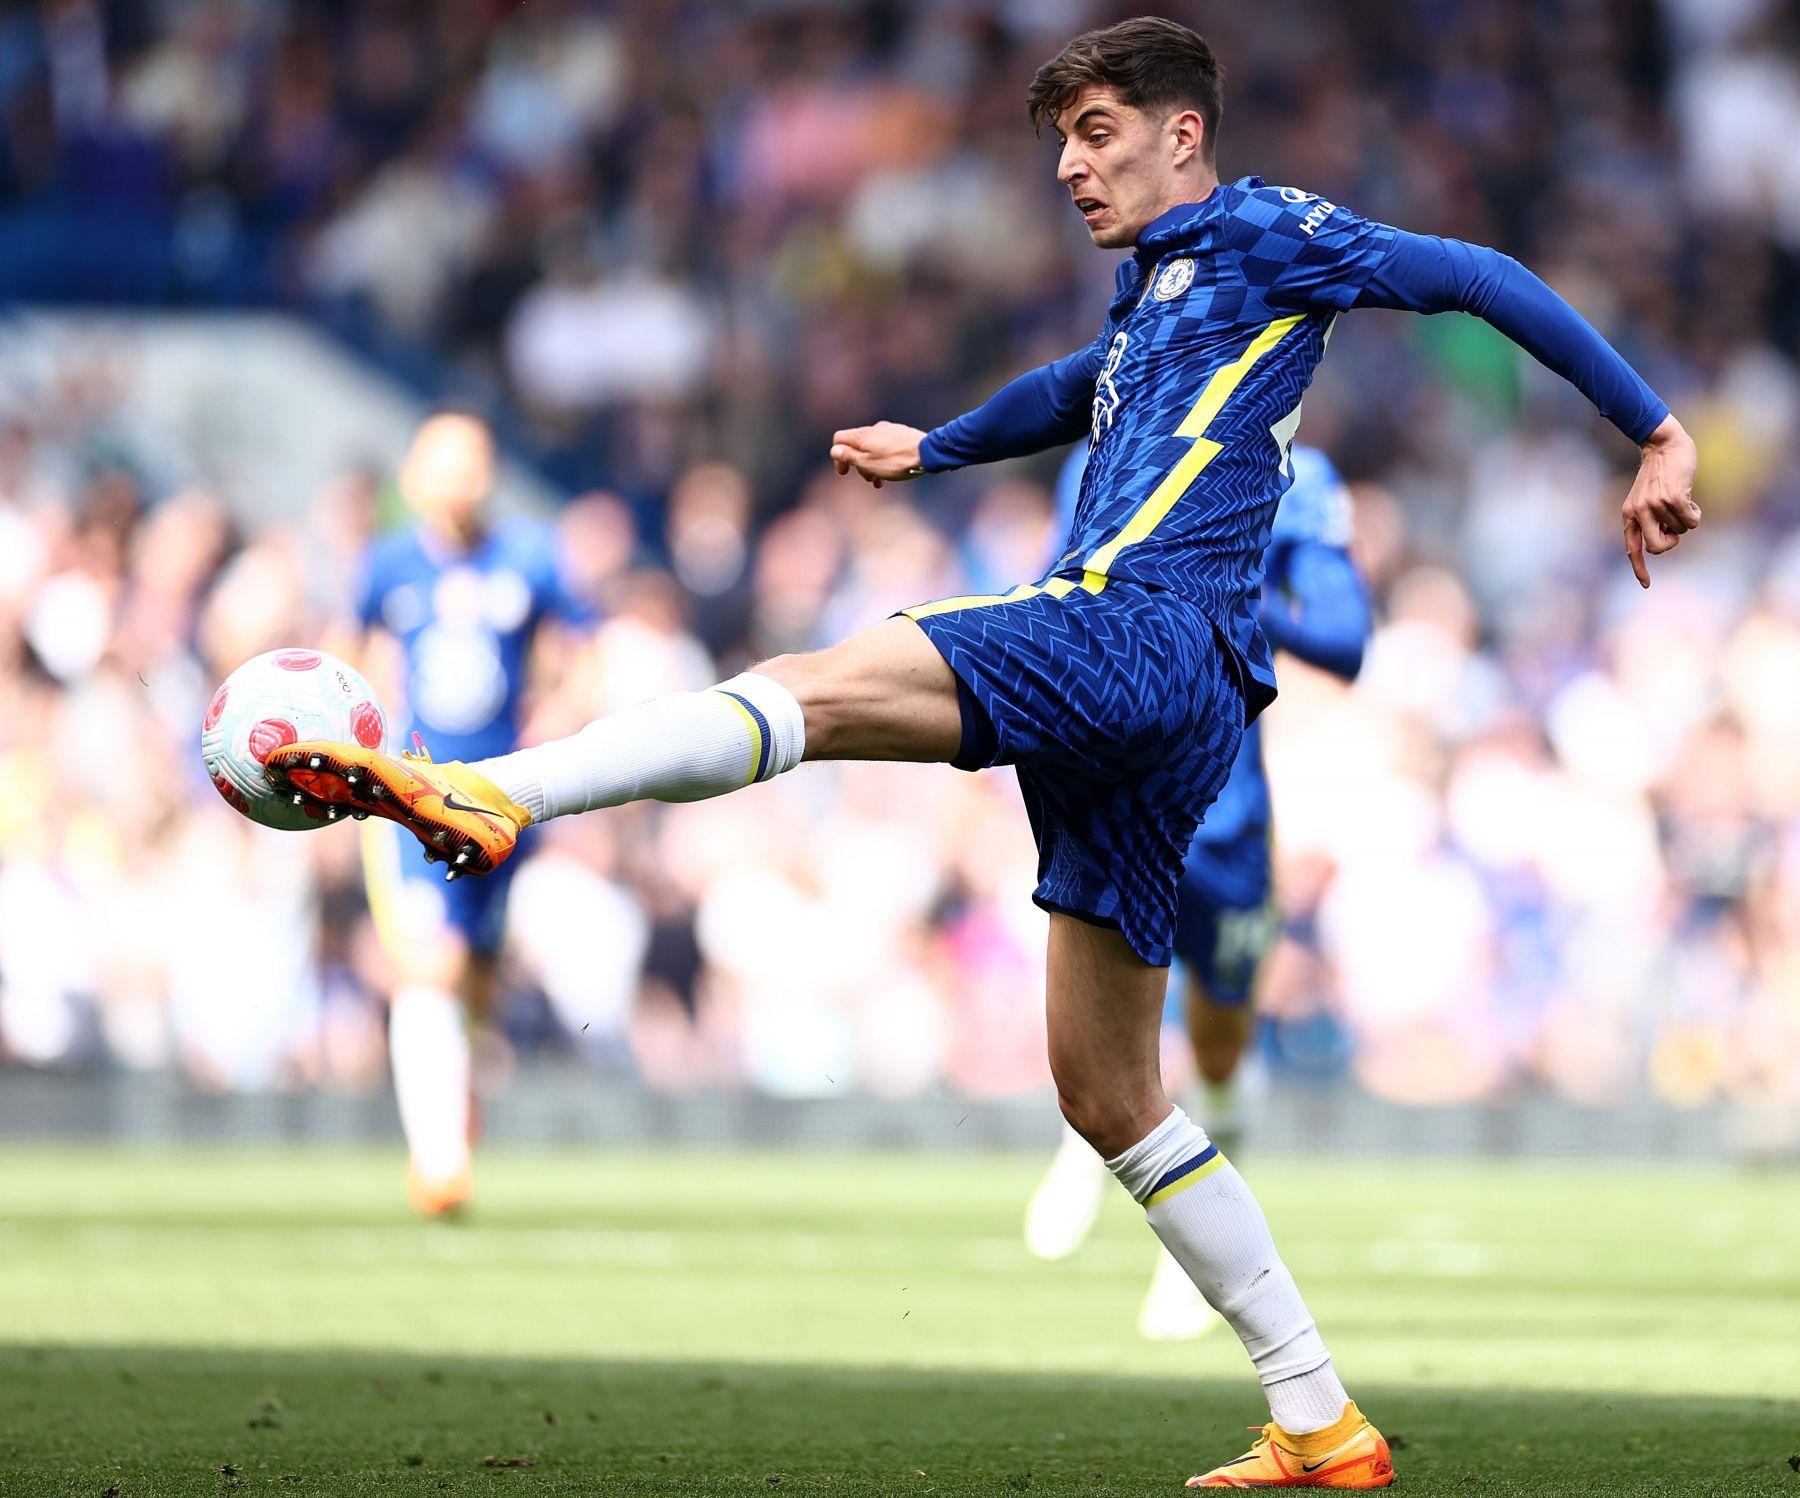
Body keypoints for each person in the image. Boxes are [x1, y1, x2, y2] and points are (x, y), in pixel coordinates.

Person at [267, 17, 1698, 1485]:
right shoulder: (1161, 296)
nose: (1071, 168)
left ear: (1181, 133)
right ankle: (1319, 1416)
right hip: (1185, 702)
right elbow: (1075, 387)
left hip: (1130, 630)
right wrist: (935, 446)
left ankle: (500, 787)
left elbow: (1477, 276)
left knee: (811, 689)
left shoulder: (1269, 231)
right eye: (1060, 143)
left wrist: (1654, 429)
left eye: (1096, 133)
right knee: (1108, 1090)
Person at [1023, 441, 1371, 1347]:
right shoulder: (1111, 450)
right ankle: (1086, 1133)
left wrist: (1238, 602)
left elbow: (1346, 640)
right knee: (1098, 1017)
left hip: (1226, 814)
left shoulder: (1299, 478)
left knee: (1220, 1048)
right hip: (1115, 780)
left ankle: (1203, 1236)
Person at [344, 412, 593, 1217]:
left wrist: (558, 715)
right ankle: (439, 1163)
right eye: (442, 463)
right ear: (413, 477)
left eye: (472, 462)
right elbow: (350, 663)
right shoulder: (386, 566)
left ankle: (454, 1108)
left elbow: (582, 654)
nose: (458, 479)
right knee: (432, 963)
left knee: (478, 978)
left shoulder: (531, 556)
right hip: (414, 800)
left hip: (504, 798)